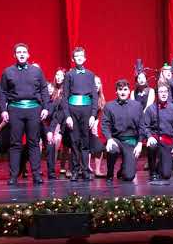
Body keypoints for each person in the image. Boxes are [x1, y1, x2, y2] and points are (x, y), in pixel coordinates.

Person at [0, 43, 50, 185]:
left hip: (34, 110)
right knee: (15, 144)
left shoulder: (36, 71)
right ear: (14, 55)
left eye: (24, 52)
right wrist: (3, 110)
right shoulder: (8, 72)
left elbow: (44, 90)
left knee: (34, 143)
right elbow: (2, 92)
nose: (21, 54)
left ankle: (36, 175)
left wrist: (45, 107)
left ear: (28, 55)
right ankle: (14, 175)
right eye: (18, 52)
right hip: (15, 110)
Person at [62, 47, 98, 182]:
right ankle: (75, 170)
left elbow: (94, 95)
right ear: (73, 59)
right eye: (76, 56)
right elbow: (65, 97)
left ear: (85, 58)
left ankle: (85, 170)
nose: (79, 58)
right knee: (74, 141)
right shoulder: (69, 75)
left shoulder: (90, 74)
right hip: (73, 110)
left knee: (85, 141)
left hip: (87, 110)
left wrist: (93, 115)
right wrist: (67, 116)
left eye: (81, 56)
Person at [101, 79, 145, 182]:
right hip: (116, 139)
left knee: (129, 177)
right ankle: (110, 173)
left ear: (129, 91)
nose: (123, 92)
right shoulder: (109, 106)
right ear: (116, 92)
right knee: (112, 149)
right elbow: (105, 125)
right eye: (120, 90)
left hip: (130, 142)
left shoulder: (137, 106)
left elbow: (142, 126)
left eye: (125, 89)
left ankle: (122, 170)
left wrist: (139, 143)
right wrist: (109, 139)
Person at [144, 82, 173, 181]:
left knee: (166, 175)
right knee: (151, 146)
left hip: (168, 142)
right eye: (161, 92)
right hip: (155, 140)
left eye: (165, 91)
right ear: (157, 94)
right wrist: (149, 136)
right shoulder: (151, 109)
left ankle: (164, 164)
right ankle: (152, 172)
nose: (164, 94)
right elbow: (145, 127)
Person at [88, 75, 106, 177]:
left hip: (94, 126)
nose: (96, 85)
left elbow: (101, 114)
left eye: (99, 83)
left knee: (99, 146)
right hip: (85, 127)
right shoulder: (87, 97)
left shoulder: (101, 98)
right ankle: (86, 167)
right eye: (95, 83)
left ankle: (98, 170)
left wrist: (96, 121)